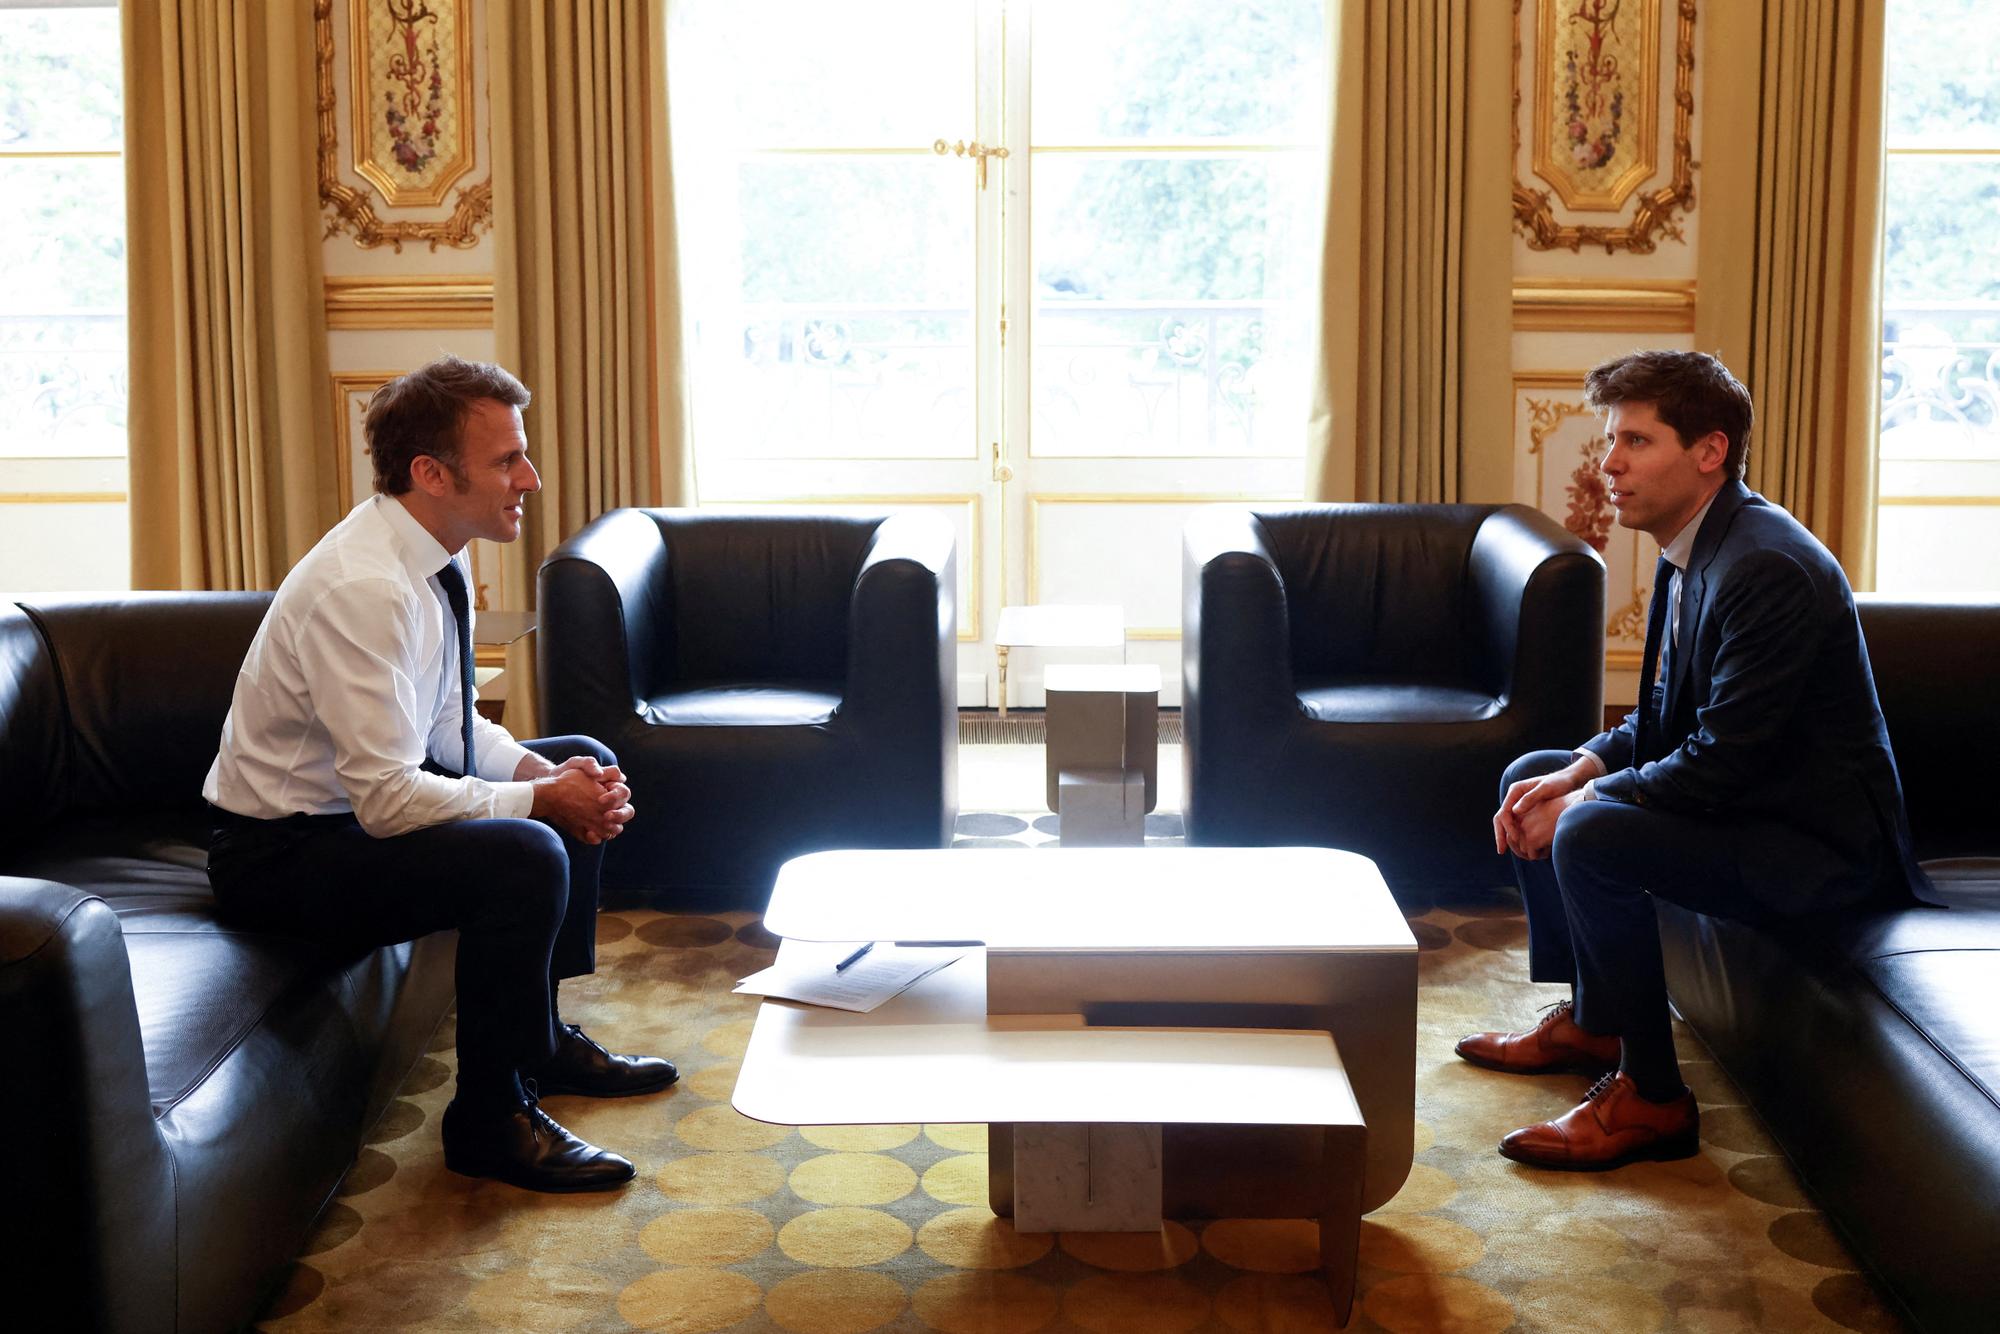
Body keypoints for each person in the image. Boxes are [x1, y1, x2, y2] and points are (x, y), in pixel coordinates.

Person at [205, 355, 676, 1194]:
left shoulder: (437, 552)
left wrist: (550, 773)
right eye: (506, 461)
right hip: (279, 856)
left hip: (347, 821)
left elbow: (450, 732)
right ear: (430, 472)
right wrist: (540, 799)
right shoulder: (366, 586)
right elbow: (388, 802)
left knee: (585, 763)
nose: (529, 477)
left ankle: (539, 1038)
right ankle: (489, 1121)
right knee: (527, 851)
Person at [1459, 350, 1933, 1172]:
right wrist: (1578, 770)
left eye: (1635, 441)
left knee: (1590, 835)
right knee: (1535, 770)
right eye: (1613, 440)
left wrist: (1589, 805)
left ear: (1709, 451)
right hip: (1751, 810)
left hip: (1814, 849)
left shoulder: (1764, 567)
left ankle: (1652, 1097)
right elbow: (1666, 716)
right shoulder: (1700, 543)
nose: (1608, 462)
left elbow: (1722, 762)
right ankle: (1596, 1018)